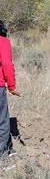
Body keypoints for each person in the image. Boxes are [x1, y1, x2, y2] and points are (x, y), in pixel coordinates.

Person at [0, 20, 19, 159]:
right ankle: (2, 156)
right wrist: (12, 86)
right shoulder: (3, 41)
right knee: (2, 121)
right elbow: (6, 63)